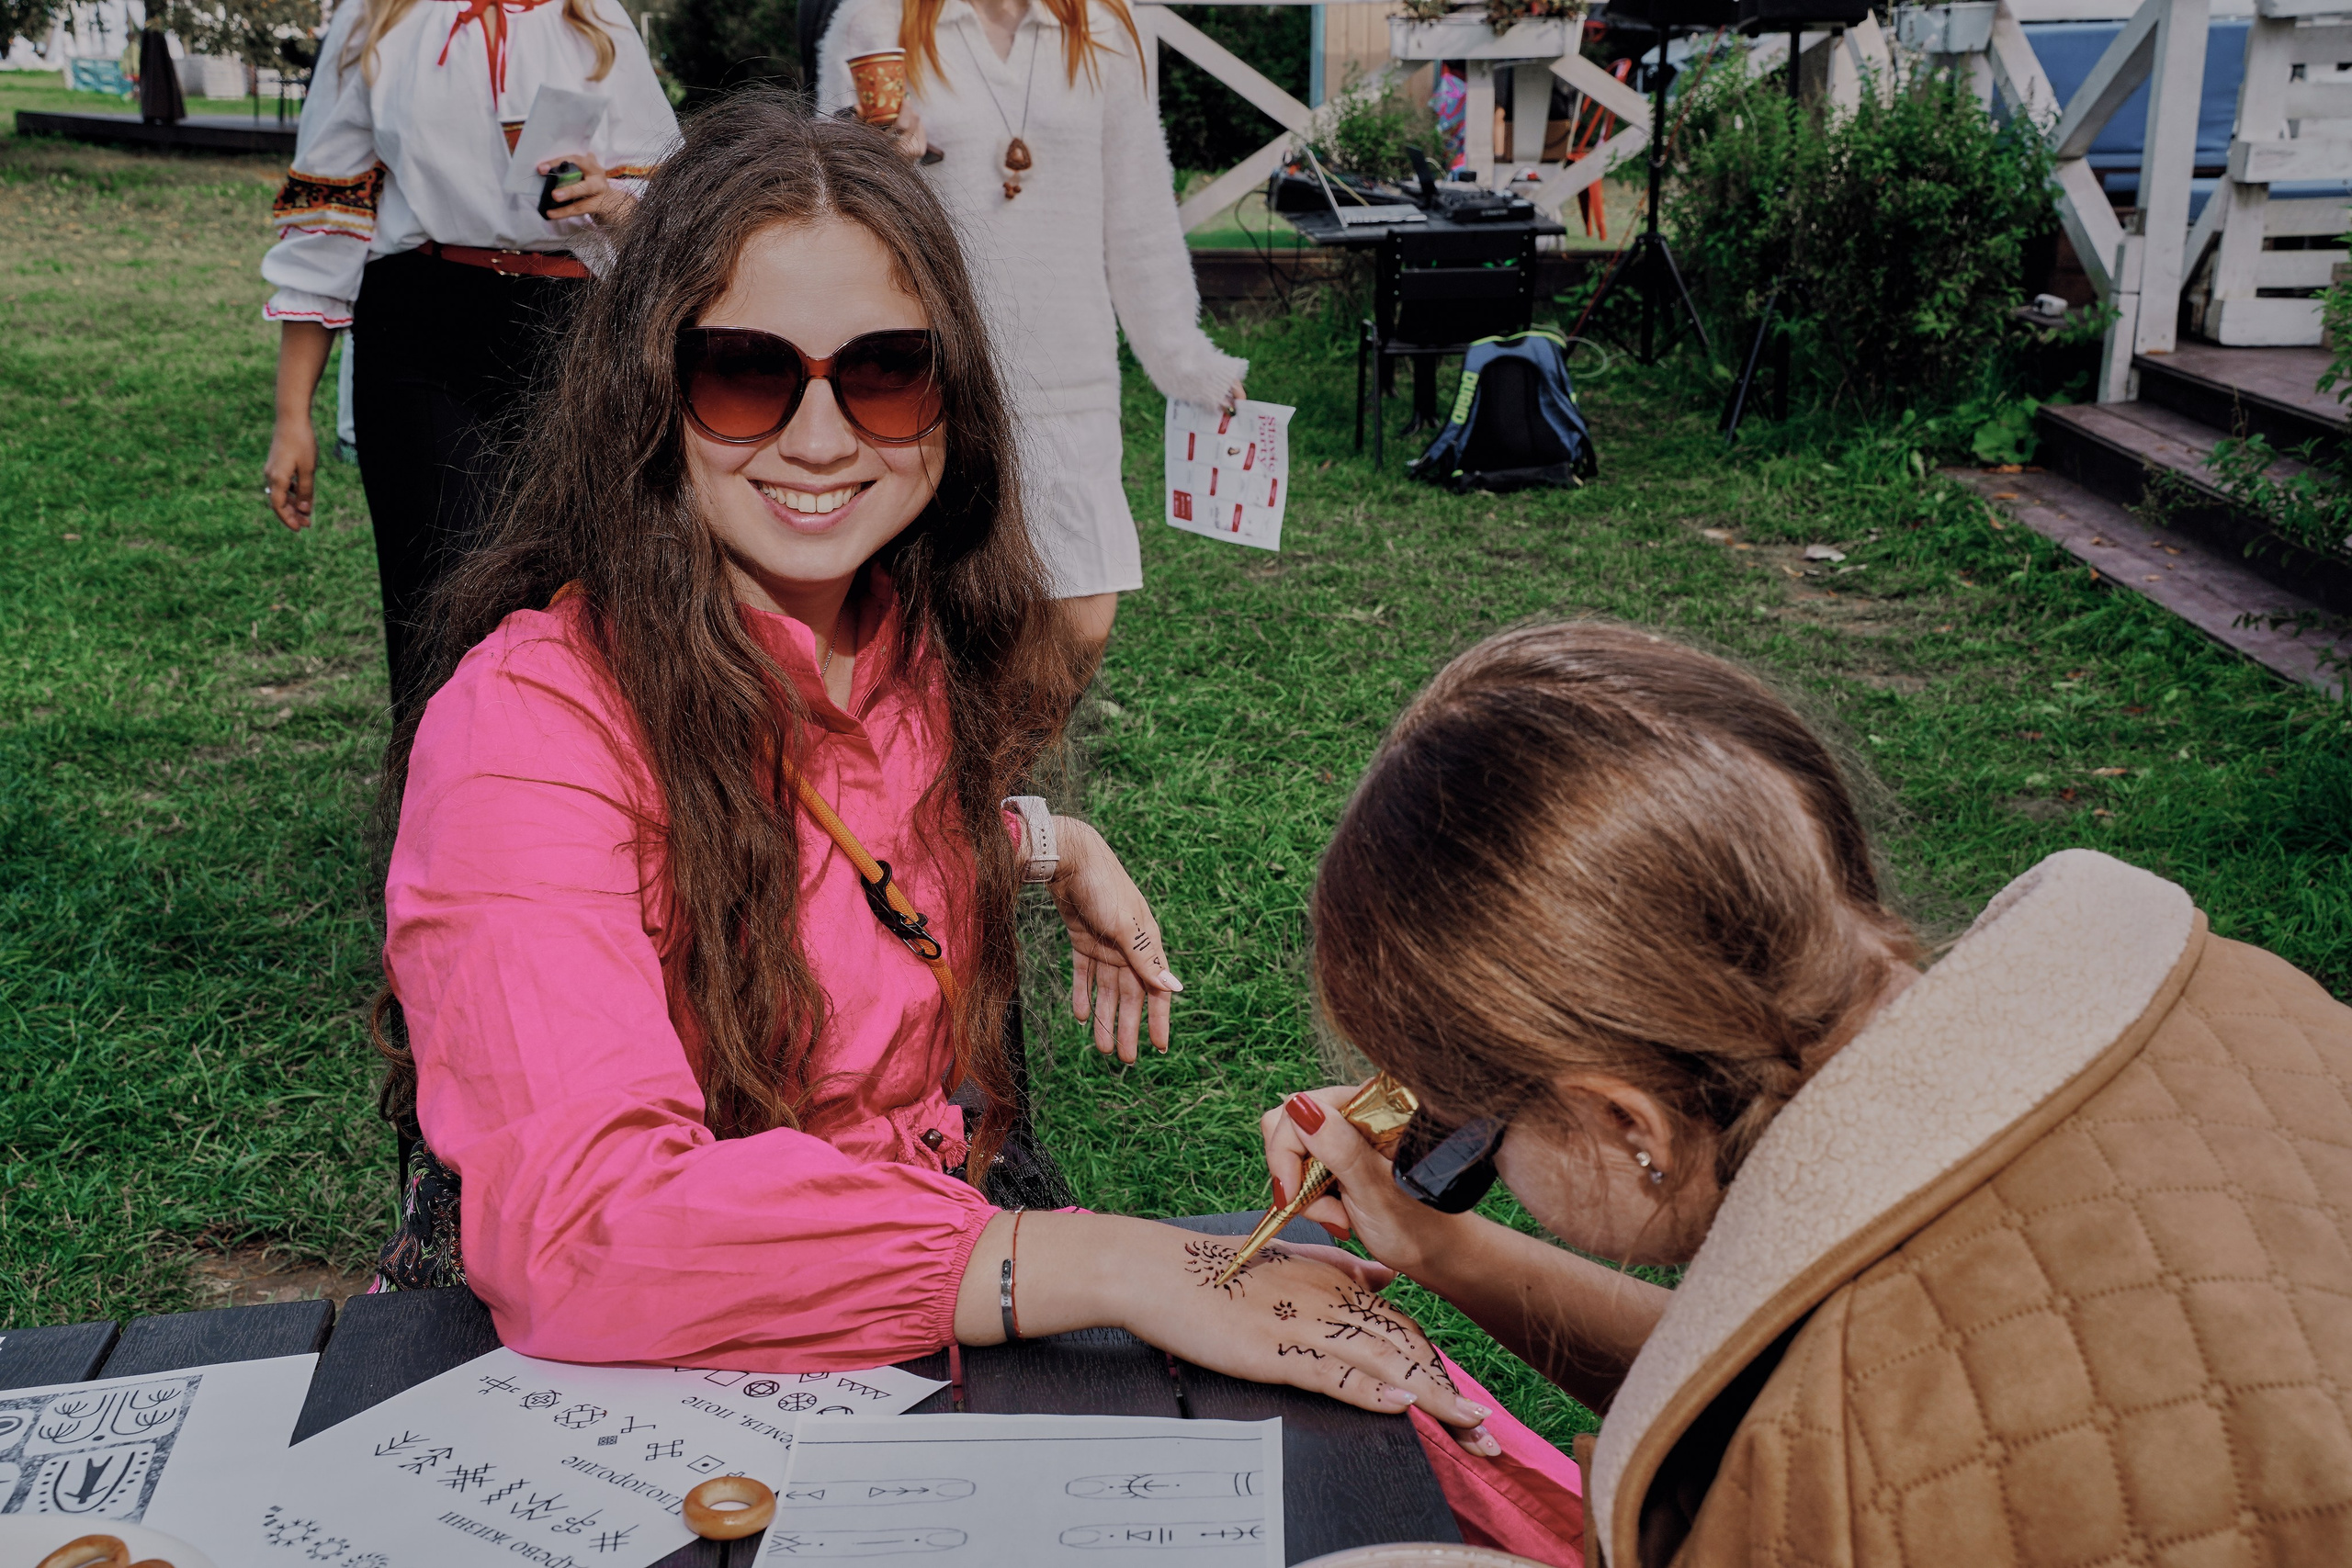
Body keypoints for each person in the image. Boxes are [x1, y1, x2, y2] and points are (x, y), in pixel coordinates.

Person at [369, 95, 1497, 1474]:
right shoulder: (525, 724)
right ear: (646, 391)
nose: (824, 434)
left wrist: (1040, 839)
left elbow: (820, 838)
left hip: (905, 1328)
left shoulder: (900, 643)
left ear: (952, 398)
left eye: (886, 371)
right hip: (622, 1410)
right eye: (744, 370)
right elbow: (591, 1226)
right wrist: (1111, 1263)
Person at [1264, 620, 2352, 1568]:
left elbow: (1825, 1436)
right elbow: (1787, 1354)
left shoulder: (1831, 1489)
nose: (1470, 1162)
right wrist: (1441, 1249)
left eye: (1480, 1137)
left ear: (1623, 1120)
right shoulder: (2249, 999)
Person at [259, 0, 678, 708]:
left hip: (569, 331)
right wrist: (291, 414)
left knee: (583, 601)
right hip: (421, 324)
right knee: (441, 607)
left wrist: (606, 197)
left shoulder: (592, 17)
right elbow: (328, 224)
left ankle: (572, 807)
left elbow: (670, 213)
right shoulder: (378, 20)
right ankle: (439, 808)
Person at [816, 0, 1244, 660]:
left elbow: (1139, 214)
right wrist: (874, 155)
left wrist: (1184, 361)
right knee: (942, 629)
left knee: (1081, 623)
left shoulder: (1105, 24)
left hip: (1071, 376)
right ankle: (963, 765)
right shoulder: (878, 18)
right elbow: (828, 201)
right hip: (936, 376)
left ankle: (1005, 764)